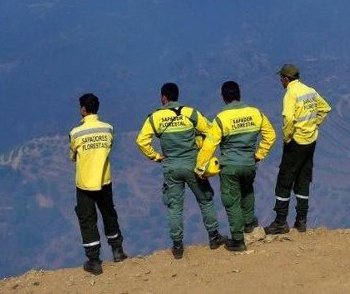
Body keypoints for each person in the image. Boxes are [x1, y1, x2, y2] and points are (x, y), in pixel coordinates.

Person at [136, 82, 224, 259]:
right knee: (205, 200)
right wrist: (202, 150)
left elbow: (141, 141)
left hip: (171, 166)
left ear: (163, 98)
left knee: (175, 207)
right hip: (193, 165)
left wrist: (156, 156)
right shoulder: (190, 113)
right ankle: (214, 237)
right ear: (177, 96)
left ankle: (177, 246)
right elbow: (211, 131)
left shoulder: (154, 118)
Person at [196, 81, 277, 251]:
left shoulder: (221, 118)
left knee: (231, 200)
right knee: (247, 193)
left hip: (230, 166)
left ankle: (238, 240)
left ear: (224, 98)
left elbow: (209, 145)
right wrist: (258, 155)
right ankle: (249, 225)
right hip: (249, 164)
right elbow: (270, 135)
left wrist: (200, 168)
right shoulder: (255, 113)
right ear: (239, 94)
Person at [264, 64, 331, 234]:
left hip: (296, 142)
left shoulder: (290, 94)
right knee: (303, 178)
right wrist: (314, 124)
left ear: (286, 79)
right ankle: (301, 221)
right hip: (310, 141)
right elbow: (325, 108)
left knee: (284, 181)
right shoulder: (310, 90)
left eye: (281, 78)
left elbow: (288, 119)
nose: (280, 81)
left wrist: (287, 138)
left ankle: (280, 222)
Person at [69, 93, 127, 275]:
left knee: (87, 219)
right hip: (104, 180)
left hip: (85, 184)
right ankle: (117, 251)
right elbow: (108, 147)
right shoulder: (108, 129)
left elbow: (73, 156)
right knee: (109, 214)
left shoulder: (75, 132)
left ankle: (94, 260)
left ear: (83, 109)